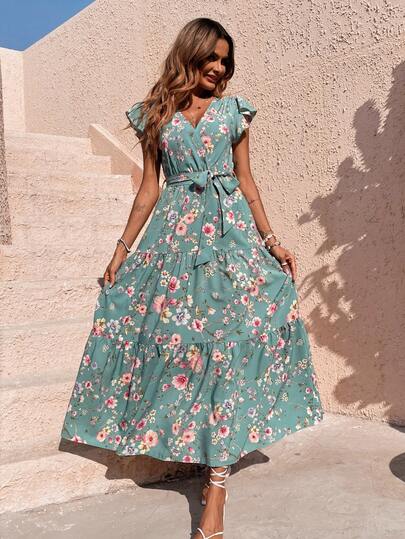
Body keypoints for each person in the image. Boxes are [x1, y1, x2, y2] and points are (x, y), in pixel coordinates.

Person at [60, 17, 324, 539]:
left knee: (226, 351)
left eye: (226, 61)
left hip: (230, 243)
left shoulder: (233, 112)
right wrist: (121, 249)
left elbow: (247, 183)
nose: (220, 68)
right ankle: (190, 444)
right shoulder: (155, 116)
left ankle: (216, 488)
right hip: (175, 245)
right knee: (182, 350)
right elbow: (149, 190)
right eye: (213, 58)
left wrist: (273, 241)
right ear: (192, 53)